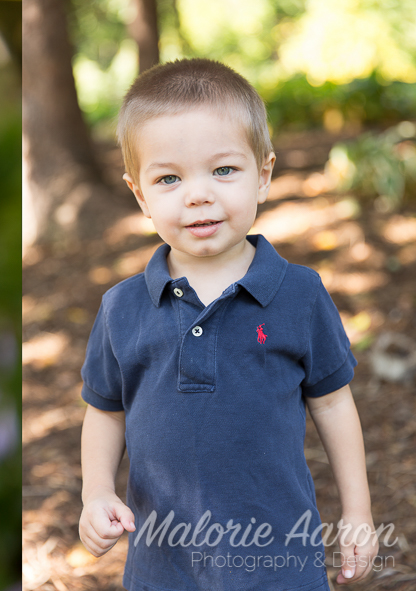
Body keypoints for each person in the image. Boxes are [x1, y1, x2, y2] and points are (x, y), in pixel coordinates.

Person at [76, 58, 377, 590]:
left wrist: (358, 512)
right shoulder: (121, 308)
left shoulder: (299, 295)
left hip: (281, 564)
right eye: (169, 178)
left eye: (223, 170)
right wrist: (96, 491)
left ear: (263, 176)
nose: (198, 194)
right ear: (140, 195)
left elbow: (332, 402)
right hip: (163, 570)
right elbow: (105, 410)